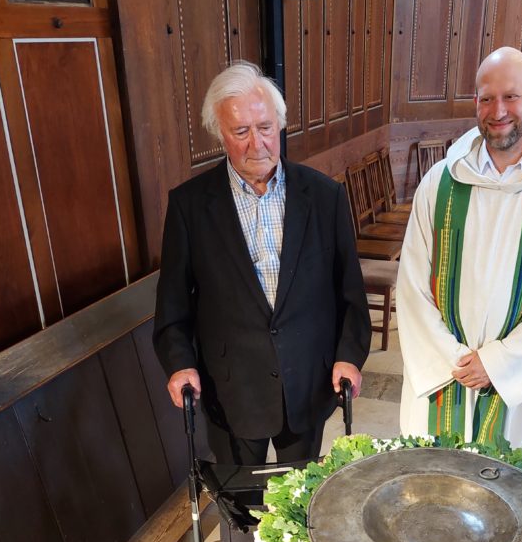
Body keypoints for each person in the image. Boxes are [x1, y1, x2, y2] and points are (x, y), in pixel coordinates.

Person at [153, 61, 371, 469]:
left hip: (308, 381)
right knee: (239, 512)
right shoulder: (190, 206)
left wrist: (349, 355)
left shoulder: (325, 197)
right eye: (241, 132)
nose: (258, 144)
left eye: (266, 127)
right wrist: (180, 364)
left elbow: (350, 293)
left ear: (280, 124)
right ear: (220, 134)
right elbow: (173, 308)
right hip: (230, 389)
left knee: (301, 503)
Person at [396, 46, 522, 447]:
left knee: (494, 487)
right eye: (486, 98)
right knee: (424, 489)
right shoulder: (440, 181)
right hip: (439, 377)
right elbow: (410, 284)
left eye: (511, 96)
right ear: (475, 103)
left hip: (503, 381)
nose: (498, 110)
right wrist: (454, 362)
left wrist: (496, 364)